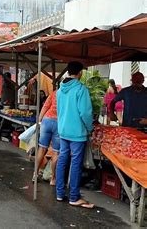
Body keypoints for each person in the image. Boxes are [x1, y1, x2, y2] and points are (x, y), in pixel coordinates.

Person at [56, 61, 94, 208]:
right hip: (77, 132)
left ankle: (59, 194)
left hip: (63, 130)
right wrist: (90, 127)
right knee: (76, 164)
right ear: (80, 73)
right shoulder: (81, 89)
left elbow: (60, 111)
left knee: (62, 160)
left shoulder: (60, 90)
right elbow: (85, 112)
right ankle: (74, 197)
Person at [33, 90, 59, 186]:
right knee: (56, 152)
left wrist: (39, 121)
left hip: (47, 120)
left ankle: (35, 174)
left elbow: (45, 106)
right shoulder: (69, 95)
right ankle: (53, 178)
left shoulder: (55, 93)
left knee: (42, 148)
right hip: (59, 123)